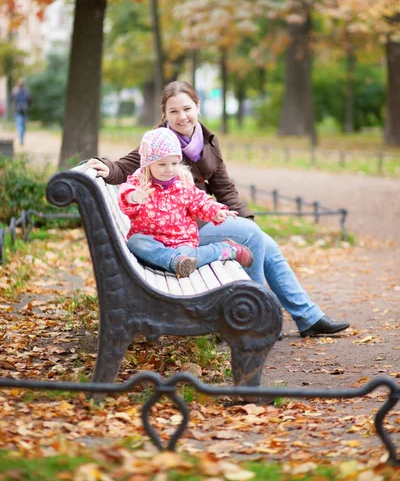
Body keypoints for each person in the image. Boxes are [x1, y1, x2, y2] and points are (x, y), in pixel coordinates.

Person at [87, 80, 350, 338]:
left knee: (262, 240)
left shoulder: (207, 139)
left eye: (187, 108)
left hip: (203, 218)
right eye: (174, 111)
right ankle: (258, 315)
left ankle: (306, 317)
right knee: (254, 238)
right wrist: (107, 168)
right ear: (164, 115)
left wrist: (247, 221)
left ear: (197, 107)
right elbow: (126, 166)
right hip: (180, 230)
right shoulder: (160, 142)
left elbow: (224, 187)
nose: (182, 117)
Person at [117, 127, 254, 278]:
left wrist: (215, 211)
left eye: (174, 163)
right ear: (148, 164)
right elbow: (124, 195)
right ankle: (175, 261)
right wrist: (135, 197)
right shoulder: (140, 184)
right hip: (152, 242)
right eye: (162, 164)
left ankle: (226, 249)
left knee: (187, 255)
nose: (169, 169)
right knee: (135, 242)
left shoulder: (182, 184)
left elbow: (200, 201)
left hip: (180, 241)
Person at [11, 78, 32, 146]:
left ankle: (21, 138)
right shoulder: (26, 92)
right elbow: (30, 101)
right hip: (25, 111)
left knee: (19, 125)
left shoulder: (16, 91)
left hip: (18, 111)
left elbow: (11, 98)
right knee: (23, 126)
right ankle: (22, 138)